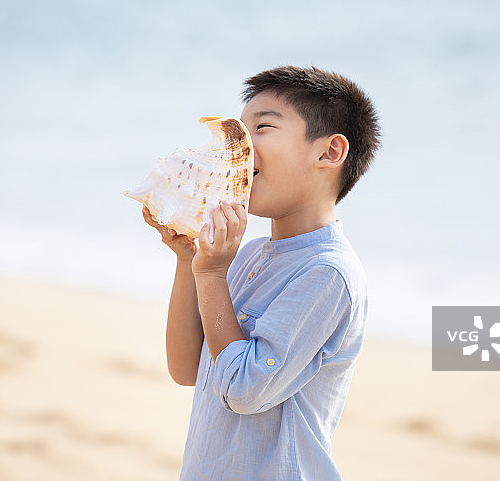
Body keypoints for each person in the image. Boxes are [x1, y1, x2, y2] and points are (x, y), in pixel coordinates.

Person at [141, 65, 380, 480]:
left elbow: (244, 390)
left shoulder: (328, 273)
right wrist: (190, 261)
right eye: (239, 132)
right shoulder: (250, 255)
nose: (242, 147)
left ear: (329, 153)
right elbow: (185, 367)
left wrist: (214, 276)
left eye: (263, 128)